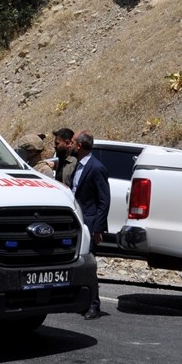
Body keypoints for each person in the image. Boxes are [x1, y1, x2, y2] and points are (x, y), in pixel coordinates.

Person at [71, 131, 110, 320]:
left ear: (79, 145)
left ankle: (94, 305)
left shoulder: (96, 168)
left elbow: (104, 201)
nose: (70, 145)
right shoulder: (78, 166)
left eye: (72, 142)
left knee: (89, 266)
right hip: (77, 223)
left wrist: (98, 228)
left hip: (90, 224)